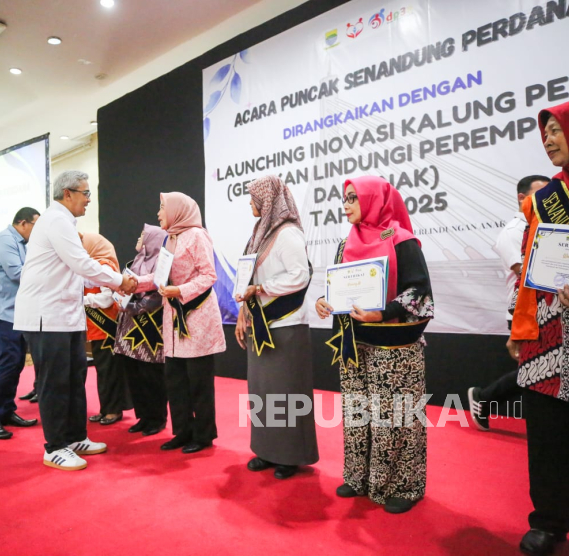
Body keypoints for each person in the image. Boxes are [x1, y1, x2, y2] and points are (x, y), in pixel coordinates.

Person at [508, 98, 569, 556]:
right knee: (550, 441)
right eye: (545, 132)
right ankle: (549, 521)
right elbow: (530, 269)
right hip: (548, 340)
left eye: (558, 129)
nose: (548, 139)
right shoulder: (543, 199)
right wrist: (519, 328)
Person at [316, 176, 433, 514]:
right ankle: (359, 478)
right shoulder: (345, 244)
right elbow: (340, 288)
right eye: (344, 198)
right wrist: (325, 300)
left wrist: (381, 313)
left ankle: (404, 486)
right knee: (357, 414)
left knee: (397, 417)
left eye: (353, 197)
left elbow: (418, 292)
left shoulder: (401, 240)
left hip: (395, 349)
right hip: (355, 345)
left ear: (373, 200)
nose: (346, 204)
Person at [14, 170, 137, 471]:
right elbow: (82, 264)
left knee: (74, 378)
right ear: (67, 193)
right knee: (55, 382)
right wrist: (119, 280)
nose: (89, 200)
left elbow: (77, 271)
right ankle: (55, 447)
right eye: (85, 193)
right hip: (46, 316)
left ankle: (75, 437)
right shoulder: (55, 220)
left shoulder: (65, 222)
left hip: (66, 316)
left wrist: (112, 284)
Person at [234, 176, 318, 480]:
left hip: (286, 326)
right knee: (262, 390)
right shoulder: (260, 233)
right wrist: (243, 311)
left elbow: (300, 276)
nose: (250, 203)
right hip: (260, 324)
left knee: (286, 392)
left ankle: (289, 456)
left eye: (253, 198)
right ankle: (266, 450)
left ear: (267, 200)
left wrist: (261, 289)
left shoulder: (287, 233)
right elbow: (247, 278)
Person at [134, 192, 226, 454]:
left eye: (162, 207)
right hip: (173, 321)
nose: (158, 213)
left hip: (197, 320)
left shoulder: (197, 235)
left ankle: (203, 435)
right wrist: (133, 283)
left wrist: (180, 290)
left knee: (198, 383)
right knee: (175, 381)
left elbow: (209, 276)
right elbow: (159, 277)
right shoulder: (170, 238)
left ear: (177, 210)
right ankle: (183, 431)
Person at [467, 175, 549, 431]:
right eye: (541, 194)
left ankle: (484, 397)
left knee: (541, 370)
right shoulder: (514, 232)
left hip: (550, 309)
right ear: (522, 198)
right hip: (524, 311)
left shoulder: (545, 225)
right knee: (536, 370)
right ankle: (484, 397)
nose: (549, 199)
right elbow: (527, 275)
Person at [0, 207, 40, 440]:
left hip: (15, 314)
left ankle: (6, 411)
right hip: (0, 313)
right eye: (36, 225)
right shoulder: (6, 239)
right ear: (23, 223)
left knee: (15, 364)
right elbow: (17, 273)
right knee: (7, 363)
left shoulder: (23, 243)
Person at [114, 225, 168, 437]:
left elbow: (157, 296)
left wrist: (133, 306)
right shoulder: (137, 260)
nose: (139, 238)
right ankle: (143, 416)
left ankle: (157, 418)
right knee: (134, 374)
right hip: (130, 327)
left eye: (143, 235)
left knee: (151, 376)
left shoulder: (161, 262)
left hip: (149, 329)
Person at [82, 232, 131, 425]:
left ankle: (113, 410)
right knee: (103, 371)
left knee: (108, 371)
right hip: (95, 329)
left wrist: (82, 300)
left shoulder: (105, 267)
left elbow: (107, 298)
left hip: (106, 328)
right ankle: (105, 409)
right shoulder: (91, 266)